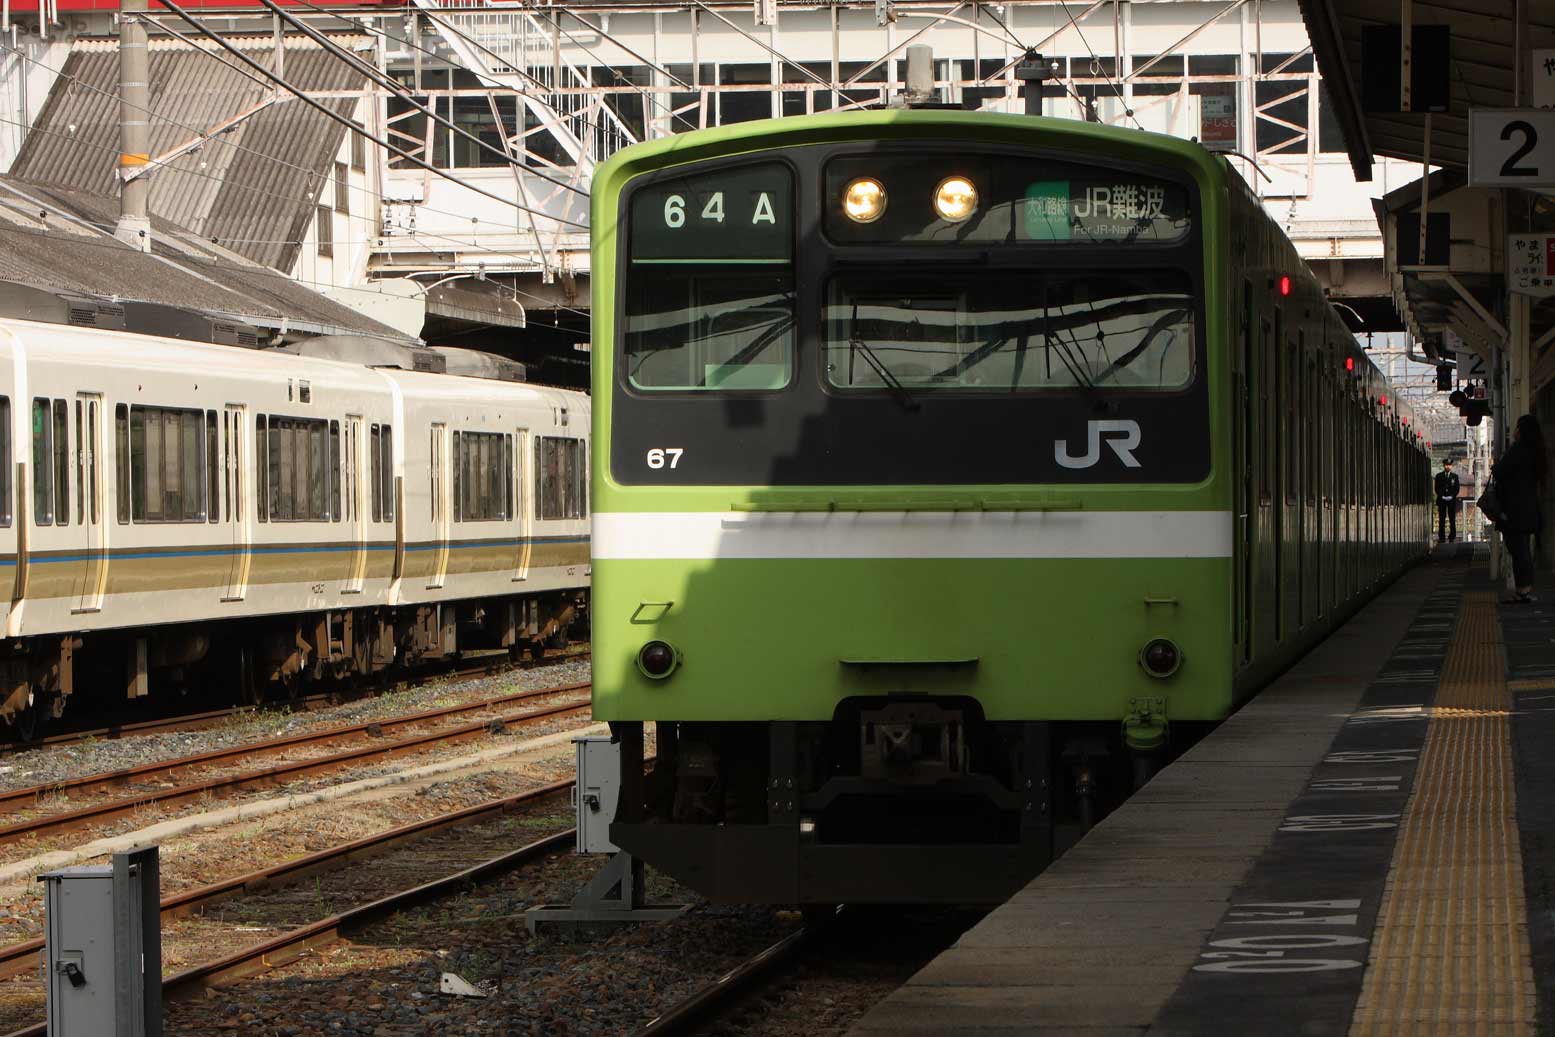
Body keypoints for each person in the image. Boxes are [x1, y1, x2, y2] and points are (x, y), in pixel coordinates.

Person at [1492, 413, 1547, 604]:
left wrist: (1496, 465)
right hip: (1529, 508)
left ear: (1522, 430)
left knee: (1518, 550)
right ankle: (1525, 589)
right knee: (1523, 549)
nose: (1514, 431)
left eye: (1517, 427)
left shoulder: (1518, 450)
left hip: (1513, 509)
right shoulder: (1536, 451)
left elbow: (1500, 472)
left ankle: (1523, 590)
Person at [1435, 459, 1460, 542]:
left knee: (1452, 518)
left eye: (1449, 465)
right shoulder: (1439, 476)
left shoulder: (1455, 476)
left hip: (1451, 500)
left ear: (1451, 466)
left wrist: (1452, 496)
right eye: (1446, 465)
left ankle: (1452, 536)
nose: (1447, 467)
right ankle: (1441, 537)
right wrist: (1442, 496)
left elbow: (1457, 488)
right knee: (1442, 519)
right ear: (1443, 466)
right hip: (1442, 500)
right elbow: (1436, 488)